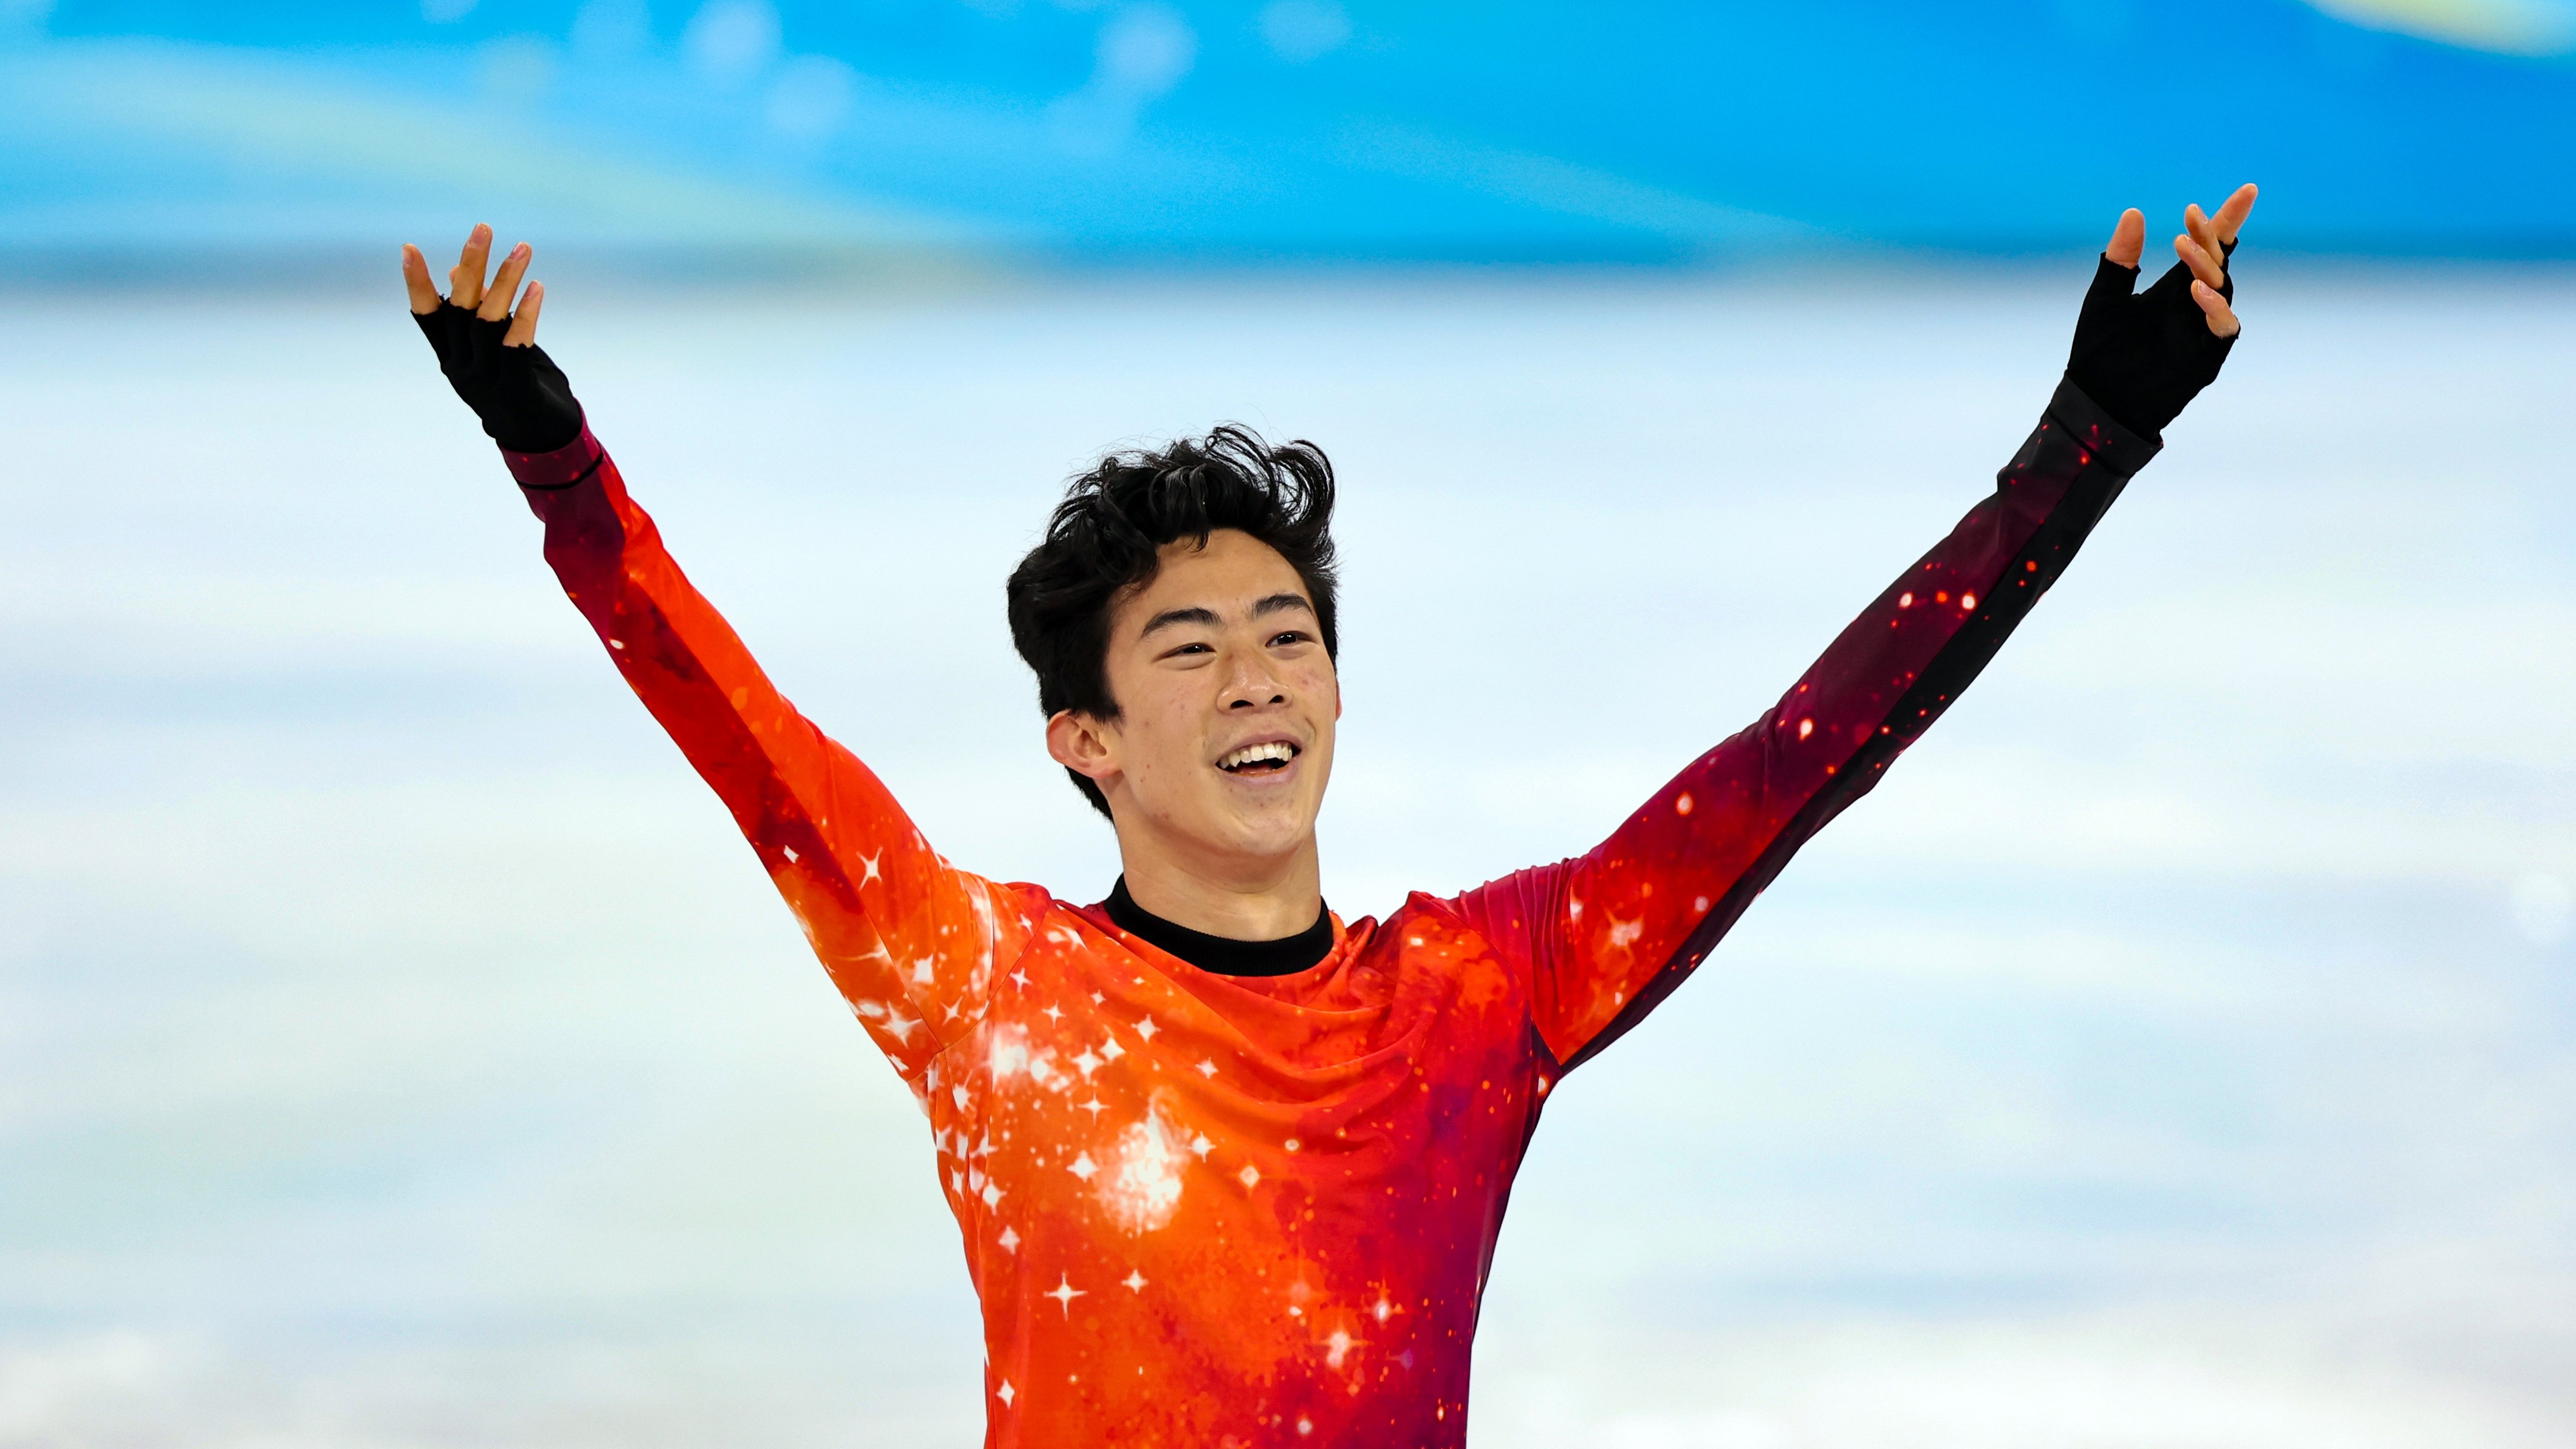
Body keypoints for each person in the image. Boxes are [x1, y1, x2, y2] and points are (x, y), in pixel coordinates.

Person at [401, 184, 2257, 1448]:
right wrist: (553, 456)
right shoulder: (983, 986)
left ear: (1342, 690)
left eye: (1288, 639)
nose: (1258, 683)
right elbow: (738, 732)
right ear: (1084, 740)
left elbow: (1808, 748)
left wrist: (2089, 436)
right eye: (1190, 651)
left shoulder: (1481, 994)